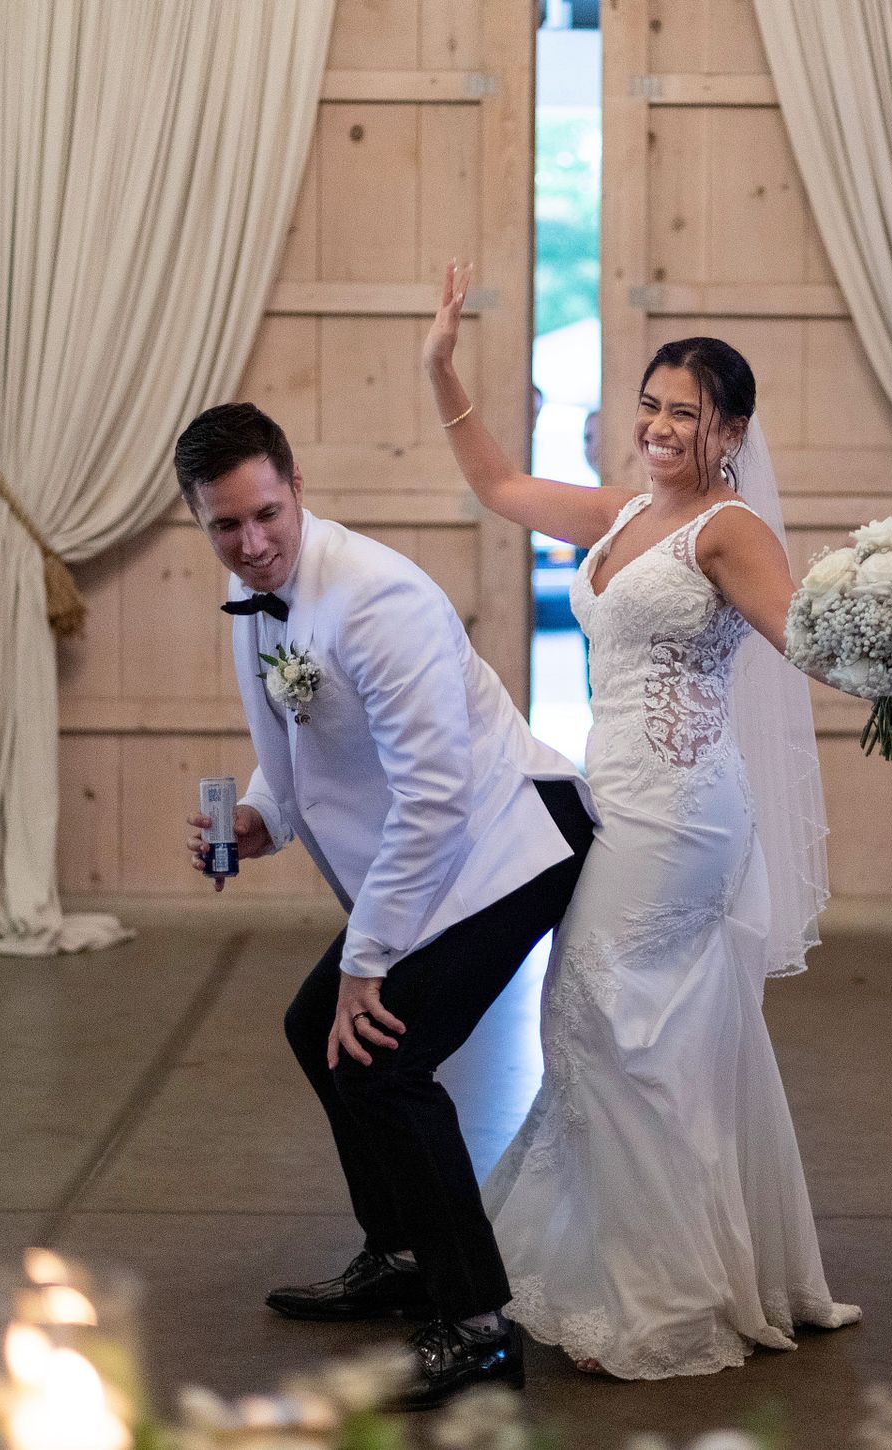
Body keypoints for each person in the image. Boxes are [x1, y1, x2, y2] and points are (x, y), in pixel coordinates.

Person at [423, 261, 892, 1380]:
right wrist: (441, 368)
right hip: (623, 802)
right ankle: (679, 1255)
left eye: (683, 413)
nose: (659, 426)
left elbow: (800, 637)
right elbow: (500, 485)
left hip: (686, 812)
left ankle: (665, 1293)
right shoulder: (622, 514)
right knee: (647, 1029)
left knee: (598, 1012)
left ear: (730, 430)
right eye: (651, 405)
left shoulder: (728, 527)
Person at [176, 402, 596, 1408]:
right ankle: (402, 1253)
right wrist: (259, 820)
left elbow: (436, 793)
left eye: (266, 514)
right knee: (314, 1026)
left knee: (381, 1054)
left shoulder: (377, 600)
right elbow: (298, 753)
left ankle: (478, 1325)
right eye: (225, 527)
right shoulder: (259, 597)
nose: (253, 542)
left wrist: (370, 958)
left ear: (298, 486)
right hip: (435, 846)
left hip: (512, 839)